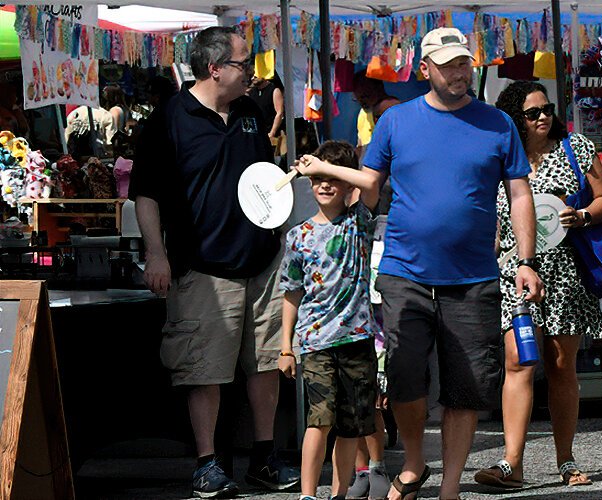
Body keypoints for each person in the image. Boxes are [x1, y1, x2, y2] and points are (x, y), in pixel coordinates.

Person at [357, 27, 545, 499]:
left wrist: (526, 260)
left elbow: (520, 192)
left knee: (468, 386)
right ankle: (417, 461)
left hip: (474, 275)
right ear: (425, 71)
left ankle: (451, 488)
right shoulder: (396, 122)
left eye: (463, 63)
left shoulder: (498, 123)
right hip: (405, 272)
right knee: (403, 374)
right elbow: (368, 185)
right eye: (447, 65)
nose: (459, 72)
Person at [130, 26, 299, 498]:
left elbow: (264, 181)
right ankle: (207, 463)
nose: (252, 71)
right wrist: (156, 253)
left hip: (262, 260)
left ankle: (265, 457)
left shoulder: (250, 111)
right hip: (203, 265)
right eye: (245, 63)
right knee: (203, 370)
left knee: (265, 363)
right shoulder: (170, 118)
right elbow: (146, 195)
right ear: (215, 68)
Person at [472, 81, 602, 490]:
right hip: (514, 272)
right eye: (533, 113)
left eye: (546, 108)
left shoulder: (577, 148)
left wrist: (584, 215)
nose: (543, 117)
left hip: (566, 272)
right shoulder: (501, 156)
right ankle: (511, 463)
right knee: (518, 360)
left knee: (560, 365)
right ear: (516, 119)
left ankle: (566, 460)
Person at [276, 141, 382, 500]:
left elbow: (370, 184)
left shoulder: (359, 222)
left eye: (332, 178)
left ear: (345, 184)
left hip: (357, 339)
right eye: (317, 179)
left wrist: (324, 165)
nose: (324, 185)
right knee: (319, 420)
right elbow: (291, 293)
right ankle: (308, 495)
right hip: (316, 342)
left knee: (352, 424)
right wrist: (285, 346)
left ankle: (340, 493)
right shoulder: (298, 236)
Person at [66, 85, 127, 157]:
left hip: (75, 156)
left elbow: (67, 138)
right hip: (98, 156)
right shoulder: (105, 115)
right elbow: (109, 141)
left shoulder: (73, 115)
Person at [246, 77, 284, 153]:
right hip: (255, 135)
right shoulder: (251, 92)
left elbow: (279, 113)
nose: (253, 78)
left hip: (269, 134)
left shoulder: (274, 90)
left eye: (256, 75)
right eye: (252, 75)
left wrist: (272, 132)